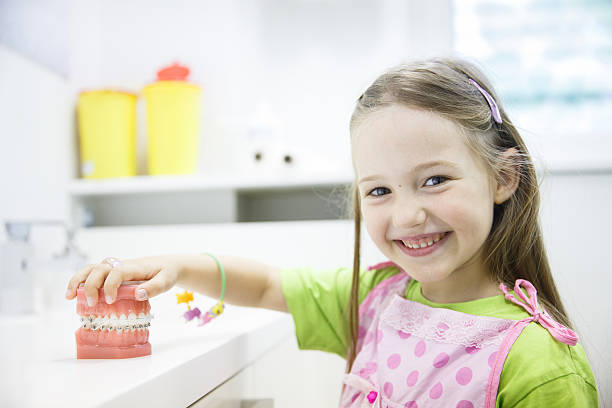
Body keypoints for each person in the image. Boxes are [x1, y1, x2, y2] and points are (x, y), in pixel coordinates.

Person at [65, 57, 599, 407]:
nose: (407, 215)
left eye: (434, 180)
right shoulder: (377, 300)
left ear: (503, 178)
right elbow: (268, 285)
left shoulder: (538, 362)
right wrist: (178, 267)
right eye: (379, 191)